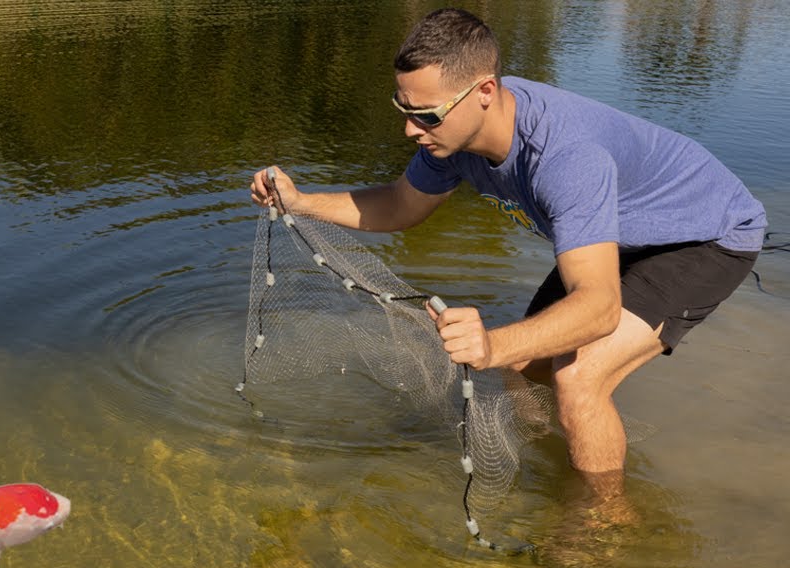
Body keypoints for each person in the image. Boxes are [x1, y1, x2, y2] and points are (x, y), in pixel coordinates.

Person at [250, 8, 765, 506]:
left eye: (425, 114)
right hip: (618, 231)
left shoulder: (566, 159)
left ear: (485, 93)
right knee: (523, 362)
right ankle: (551, 456)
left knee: (578, 377)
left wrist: (490, 344)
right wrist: (302, 202)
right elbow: (401, 206)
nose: (410, 130)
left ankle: (604, 526)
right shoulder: (448, 140)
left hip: (701, 236)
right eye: (402, 109)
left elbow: (600, 308)